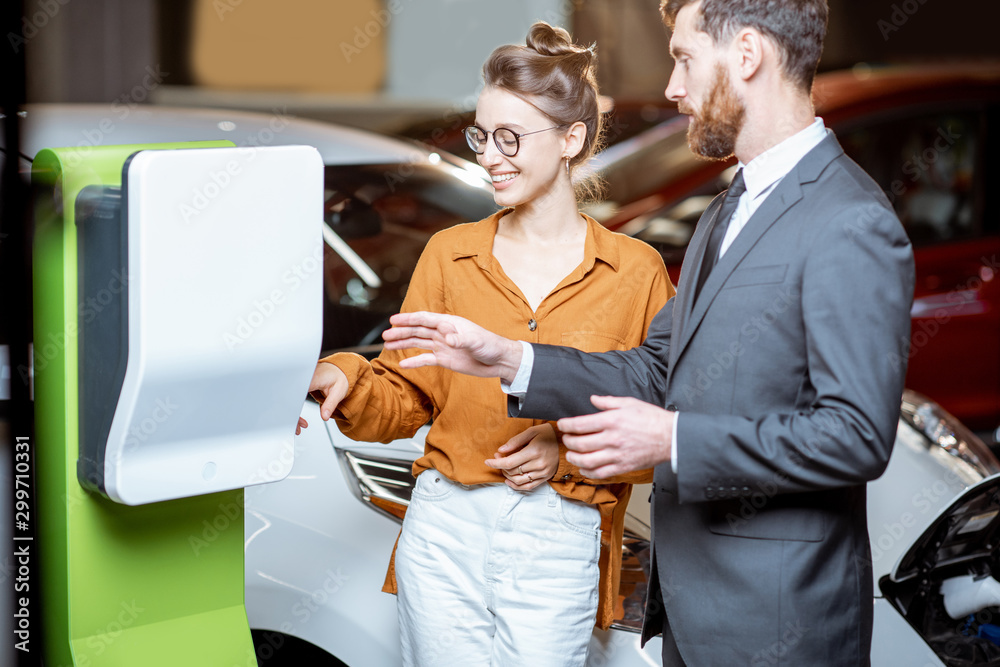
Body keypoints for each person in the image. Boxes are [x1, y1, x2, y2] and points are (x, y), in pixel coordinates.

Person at [380, 1, 916, 665]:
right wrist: (514, 358)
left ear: (746, 55)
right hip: (695, 613)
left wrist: (673, 438)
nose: (672, 87)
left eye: (685, 58)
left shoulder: (848, 220)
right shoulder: (730, 208)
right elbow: (656, 369)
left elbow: (857, 435)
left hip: (778, 623)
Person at [299, 21, 674, 666]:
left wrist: (564, 447)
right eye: (481, 135)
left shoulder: (634, 272)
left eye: (510, 137)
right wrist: (347, 379)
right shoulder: (450, 255)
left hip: (560, 536)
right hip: (446, 528)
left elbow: (662, 414)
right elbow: (407, 392)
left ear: (571, 140)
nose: (489, 155)